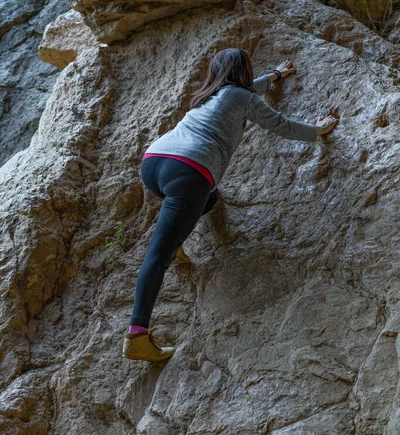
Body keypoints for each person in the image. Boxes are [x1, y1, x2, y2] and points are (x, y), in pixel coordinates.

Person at [122, 48, 339, 363]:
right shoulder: (240, 97)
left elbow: (247, 93)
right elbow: (278, 123)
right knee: (158, 256)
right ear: (244, 72)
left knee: (209, 198)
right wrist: (317, 131)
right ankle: (137, 336)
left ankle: (175, 242)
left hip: (155, 163)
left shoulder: (210, 96)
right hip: (189, 171)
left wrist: (276, 76)